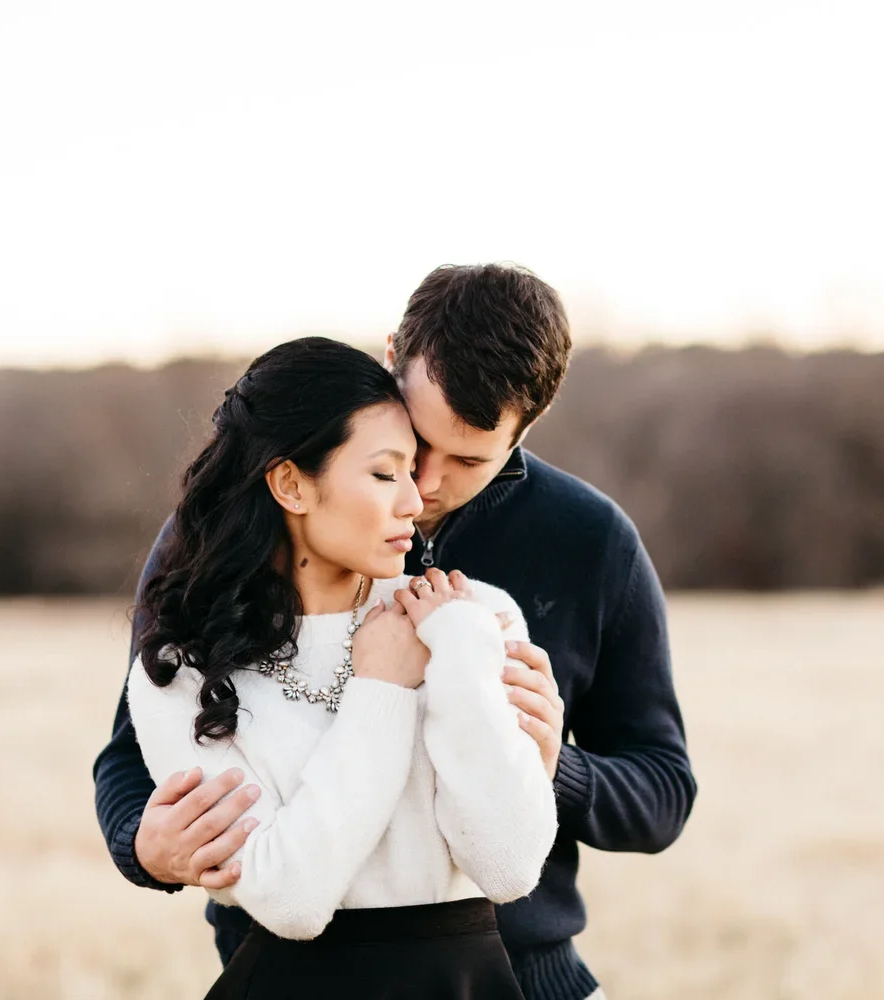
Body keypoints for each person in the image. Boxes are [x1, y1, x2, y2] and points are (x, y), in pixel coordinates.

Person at [95, 263, 697, 1000]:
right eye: (410, 448)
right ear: (391, 360)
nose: (428, 487)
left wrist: (548, 761)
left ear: (527, 427)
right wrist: (143, 848)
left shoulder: (585, 542)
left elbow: (663, 789)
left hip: (525, 977)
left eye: (469, 457)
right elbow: (135, 746)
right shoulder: (217, 549)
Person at [128, 336, 556, 998]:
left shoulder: (470, 621)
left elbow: (509, 867)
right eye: (386, 474)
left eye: (412, 473)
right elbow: (292, 900)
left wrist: (463, 660)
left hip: (463, 983)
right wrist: (381, 688)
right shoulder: (182, 669)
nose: (415, 503)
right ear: (292, 484)